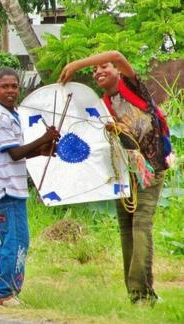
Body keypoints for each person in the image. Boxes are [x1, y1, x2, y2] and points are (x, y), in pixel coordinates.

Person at [58, 51, 172, 305]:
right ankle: (138, 294)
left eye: (104, 67)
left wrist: (77, 63)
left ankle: (140, 292)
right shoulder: (102, 106)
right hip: (123, 173)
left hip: (150, 168)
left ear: (118, 71)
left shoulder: (132, 86)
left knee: (140, 224)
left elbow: (117, 54)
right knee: (127, 228)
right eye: (95, 71)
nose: (98, 72)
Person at [0, 68, 60, 307]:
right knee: (14, 242)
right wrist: (44, 139)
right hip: (6, 191)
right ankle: (3, 293)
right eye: (4, 87)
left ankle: (7, 291)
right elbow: (16, 152)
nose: (10, 91)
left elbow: (17, 154)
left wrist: (43, 150)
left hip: (14, 188)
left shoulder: (13, 115)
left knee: (18, 241)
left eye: (14, 86)